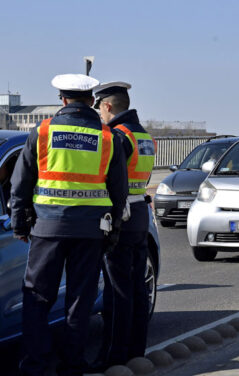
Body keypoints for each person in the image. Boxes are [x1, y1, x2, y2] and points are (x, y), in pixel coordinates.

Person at [11, 74, 128, 376]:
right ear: (92, 101)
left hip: (47, 229)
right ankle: (73, 364)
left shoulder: (43, 131)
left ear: (62, 100)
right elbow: (119, 192)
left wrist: (20, 222)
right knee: (80, 298)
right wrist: (113, 230)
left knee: (36, 297)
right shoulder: (107, 137)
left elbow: (21, 181)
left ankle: (36, 364)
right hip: (90, 231)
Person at [91, 81, 156, 370]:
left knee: (117, 293)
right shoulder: (144, 136)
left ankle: (113, 356)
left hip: (122, 217)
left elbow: (110, 179)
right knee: (137, 288)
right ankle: (136, 351)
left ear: (107, 106)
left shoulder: (118, 136)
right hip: (140, 214)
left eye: (100, 109)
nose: (100, 115)